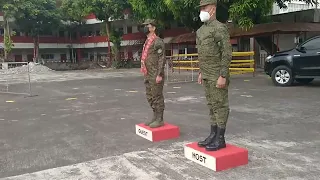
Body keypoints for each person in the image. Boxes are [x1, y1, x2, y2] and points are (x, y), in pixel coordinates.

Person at [195, 0, 232, 151]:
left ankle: (221, 138)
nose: (202, 10)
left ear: (213, 8)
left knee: (220, 106)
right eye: (201, 8)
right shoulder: (200, 31)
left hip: (217, 74)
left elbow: (227, 53)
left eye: (205, 7)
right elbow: (202, 54)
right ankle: (213, 134)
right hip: (206, 74)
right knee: (211, 106)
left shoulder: (220, 28)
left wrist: (223, 75)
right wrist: (201, 72)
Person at [140, 19, 166, 128]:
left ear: (153, 28)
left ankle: (159, 118)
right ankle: (155, 116)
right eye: (144, 25)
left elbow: (161, 58)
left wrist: (159, 74)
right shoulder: (147, 41)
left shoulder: (157, 41)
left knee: (157, 96)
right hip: (148, 73)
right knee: (150, 96)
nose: (145, 27)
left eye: (147, 25)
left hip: (155, 73)